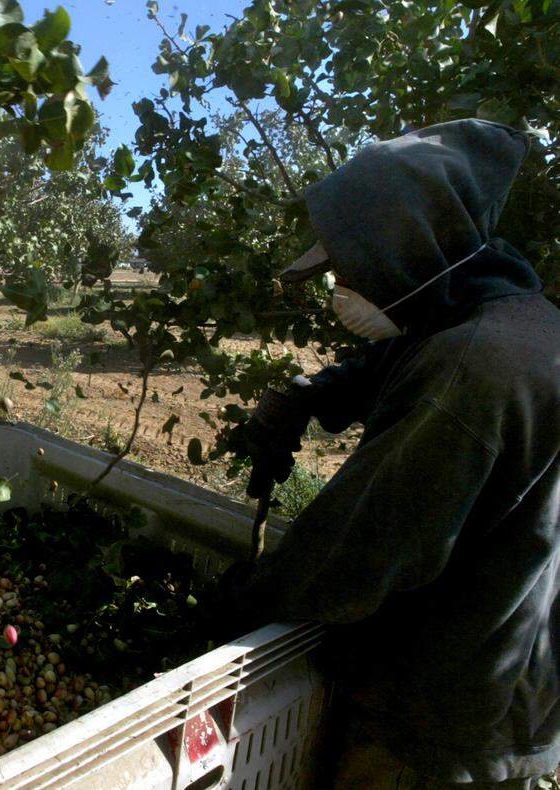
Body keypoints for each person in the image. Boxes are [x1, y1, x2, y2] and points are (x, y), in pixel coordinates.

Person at [224, 119, 559, 787]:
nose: (338, 285)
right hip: (508, 682)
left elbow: (360, 549)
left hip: (439, 724)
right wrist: (309, 394)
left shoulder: (470, 371)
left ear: (403, 254)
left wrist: (229, 616)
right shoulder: (499, 314)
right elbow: (397, 356)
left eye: (348, 266)